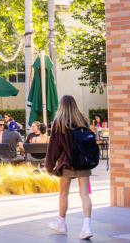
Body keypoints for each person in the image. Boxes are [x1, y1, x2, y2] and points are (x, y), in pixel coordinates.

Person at [45, 95, 94, 240]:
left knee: (63, 193)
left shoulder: (59, 122)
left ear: (61, 106)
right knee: (84, 193)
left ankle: (61, 223)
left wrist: (49, 166)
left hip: (67, 163)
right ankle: (87, 227)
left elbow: (53, 147)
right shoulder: (83, 119)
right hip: (84, 161)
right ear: (74, 105)